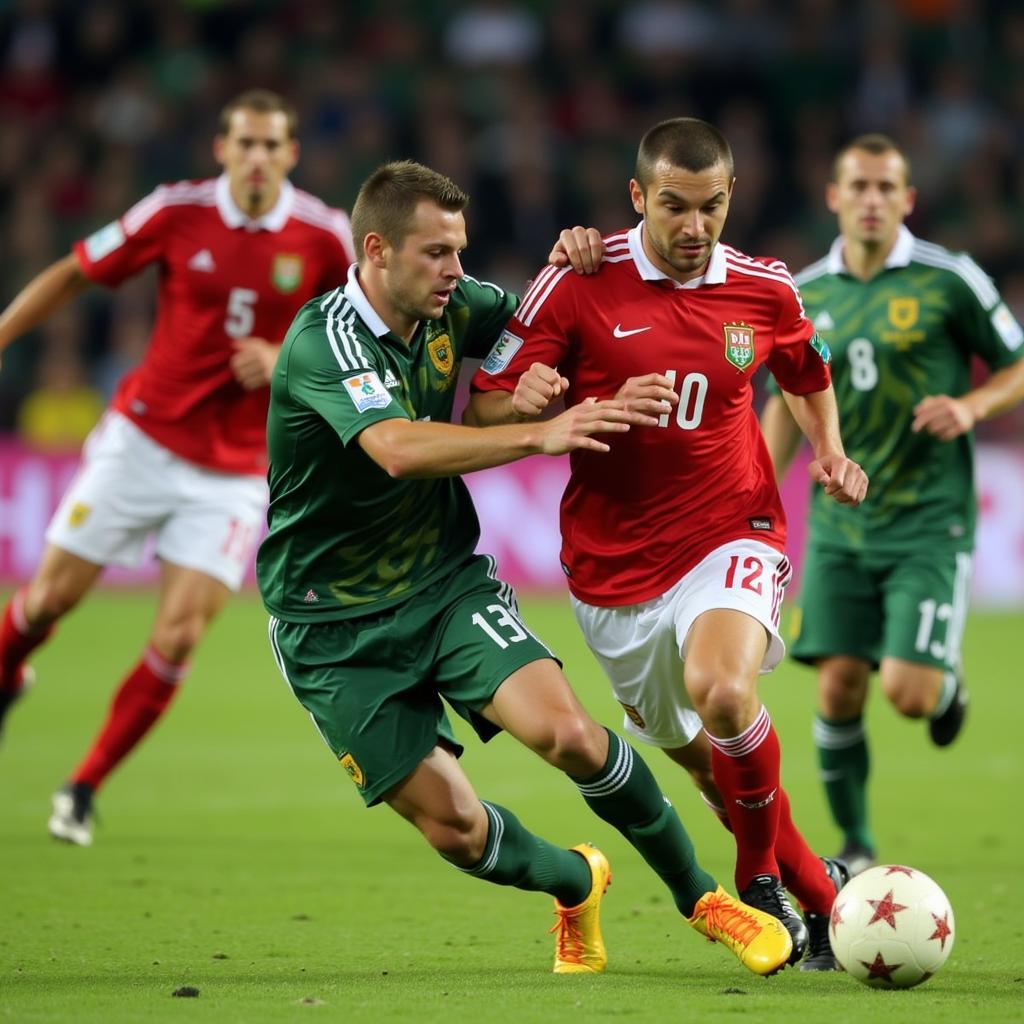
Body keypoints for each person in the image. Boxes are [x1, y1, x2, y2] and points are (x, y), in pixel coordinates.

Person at [256, 159, 794, 977]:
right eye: (435, 253)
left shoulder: (455, 306)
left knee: (572, 737)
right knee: (458, 830)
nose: (456, 273)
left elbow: (562, 328)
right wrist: (536, 433)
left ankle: (703, 900)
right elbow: (397, 449)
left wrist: (581, 259)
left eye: (460, 251)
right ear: (375, 250)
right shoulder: (320, 343)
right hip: (327, 626)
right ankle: (577, 880)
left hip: (441, 585)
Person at [468, 117, 869, 972]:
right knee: (713, 775)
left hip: (732, 529)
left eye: (712, 207)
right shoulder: (574, 281)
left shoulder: (765, 287)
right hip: (613, 574)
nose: (695, 228)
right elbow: (484, 408)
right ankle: (826, 895)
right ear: (638, 197)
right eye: (676, 207)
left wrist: (828, 450)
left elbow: (806, 371)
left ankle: (761, 882)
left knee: (724, 692)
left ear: (731, 198)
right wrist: (531, 398)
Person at [0, 88, 356, 846]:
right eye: (245, 143)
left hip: (234, 471)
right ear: (222, 149)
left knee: (181, 634)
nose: (257, 157)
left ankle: (83, 785)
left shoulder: (326, 236)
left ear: (291, 155)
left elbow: (362, 337)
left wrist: (290, 359)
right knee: (45, 603)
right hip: (140, 442)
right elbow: (74, 272)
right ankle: (7, 679)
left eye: (272, 145)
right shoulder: (174, 210)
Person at [759, 133, 1024, 875]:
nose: (872, 200)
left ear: (907, 200)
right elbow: (788, 398)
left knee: (908, 695)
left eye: (886, 188)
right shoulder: (804, 293)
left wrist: (972, 407)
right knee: (839, 683)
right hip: (843, 522)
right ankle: (854, 846)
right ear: (833, 197)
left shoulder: (950, 278)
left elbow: (1017, 362)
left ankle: (944, 687)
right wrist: (751, 490)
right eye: (859, 186)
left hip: (928, 522)